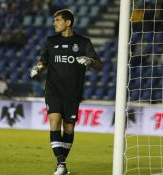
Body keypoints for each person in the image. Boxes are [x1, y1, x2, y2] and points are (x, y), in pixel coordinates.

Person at [30, 9, 103, 175]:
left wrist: (90, 60)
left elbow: (100, 64)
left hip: (73, 92)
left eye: (57, 20)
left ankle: (61, 166)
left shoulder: (83, 42)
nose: (54, 23)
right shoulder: (51, 41)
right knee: (54, 122)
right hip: (53, 90)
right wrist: (38, 68)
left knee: (69, 129)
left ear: (68, 22)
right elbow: (44, 61)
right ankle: (61, 163)